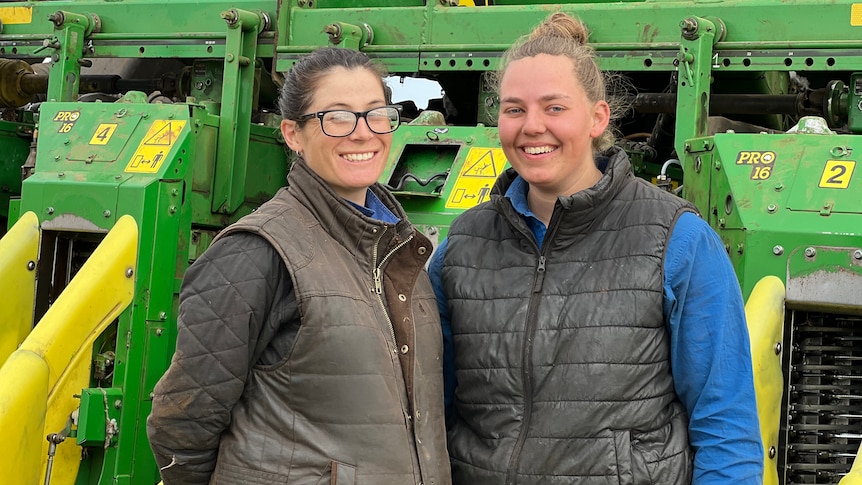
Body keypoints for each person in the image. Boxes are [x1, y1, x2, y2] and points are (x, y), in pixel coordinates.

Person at [428, 12, 763, 485]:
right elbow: (428, 414)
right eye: (514, 109)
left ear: (597, 117)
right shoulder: (461, 247)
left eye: (555, 108)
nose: (532, 127)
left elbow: (726, 428)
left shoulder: (676, 240)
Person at [148, 47, 451, 485]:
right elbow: (183, 423)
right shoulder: (257, 253)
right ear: (293, 134)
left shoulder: (403, 252)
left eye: (376, 114)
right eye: (337, 117)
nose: (363, 133)